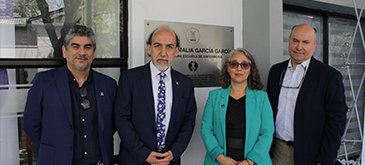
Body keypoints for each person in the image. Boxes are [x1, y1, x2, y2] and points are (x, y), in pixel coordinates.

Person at [22, 25, 117, 165]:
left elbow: (113, 124)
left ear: (94, 52)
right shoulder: (44, 82)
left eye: (87, 47)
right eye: (75, 46)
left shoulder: (108, 85)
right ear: (64, 51)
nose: (82, 52)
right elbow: (30, 123)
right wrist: (54, 148)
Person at [114, 26, 197, 165]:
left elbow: (188, 121)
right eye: (157, 45)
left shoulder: (185, 84)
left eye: (169, 47)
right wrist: (144, 154)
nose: (163, 53)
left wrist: (174, 152)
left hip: (169, 161)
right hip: (135, 160)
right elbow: (121, 119)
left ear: (176, 51)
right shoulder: (129, 78)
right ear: (149, 48)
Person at [267, 23, 348, 165]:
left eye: (305, 42)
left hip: (311, 155)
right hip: (277, 152)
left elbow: (336, 122)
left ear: (314, 44)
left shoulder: (329, 76)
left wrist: (324, 160)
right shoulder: (276, 71)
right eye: (295, 40)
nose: (299, 47)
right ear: (289, 40)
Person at [200, 48, 274, 165]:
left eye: (244, 65)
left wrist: (249, 161)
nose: (239, 68)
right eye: (234, 64)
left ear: (250, 70)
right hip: (220, 161)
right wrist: (220, 157)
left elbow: (267, 133)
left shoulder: (262, 98)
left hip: (253, 162)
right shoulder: (214, 97)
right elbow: (206, 129)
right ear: (228, 68)